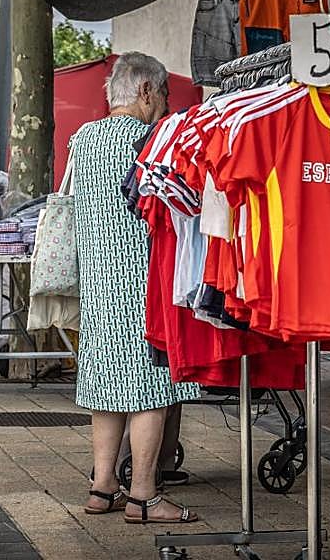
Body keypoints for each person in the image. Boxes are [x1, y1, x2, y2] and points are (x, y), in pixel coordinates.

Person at [70, 52, 201, 524]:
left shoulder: (82, 139)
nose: (165, 105)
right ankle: (144, 494)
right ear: (146, 91)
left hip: (98, 282)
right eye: (163, 95)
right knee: (151, 388)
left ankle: (102, 486)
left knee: (105, 385)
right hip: (144, 282)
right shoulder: (152, 138)